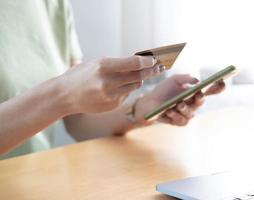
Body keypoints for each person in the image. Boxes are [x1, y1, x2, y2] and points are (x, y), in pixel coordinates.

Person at [0, 0, 225, 158]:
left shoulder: (51, 4)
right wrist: (60, 95)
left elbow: (78, 121)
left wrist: (143, 108)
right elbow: (63, 100)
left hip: (33, 180)